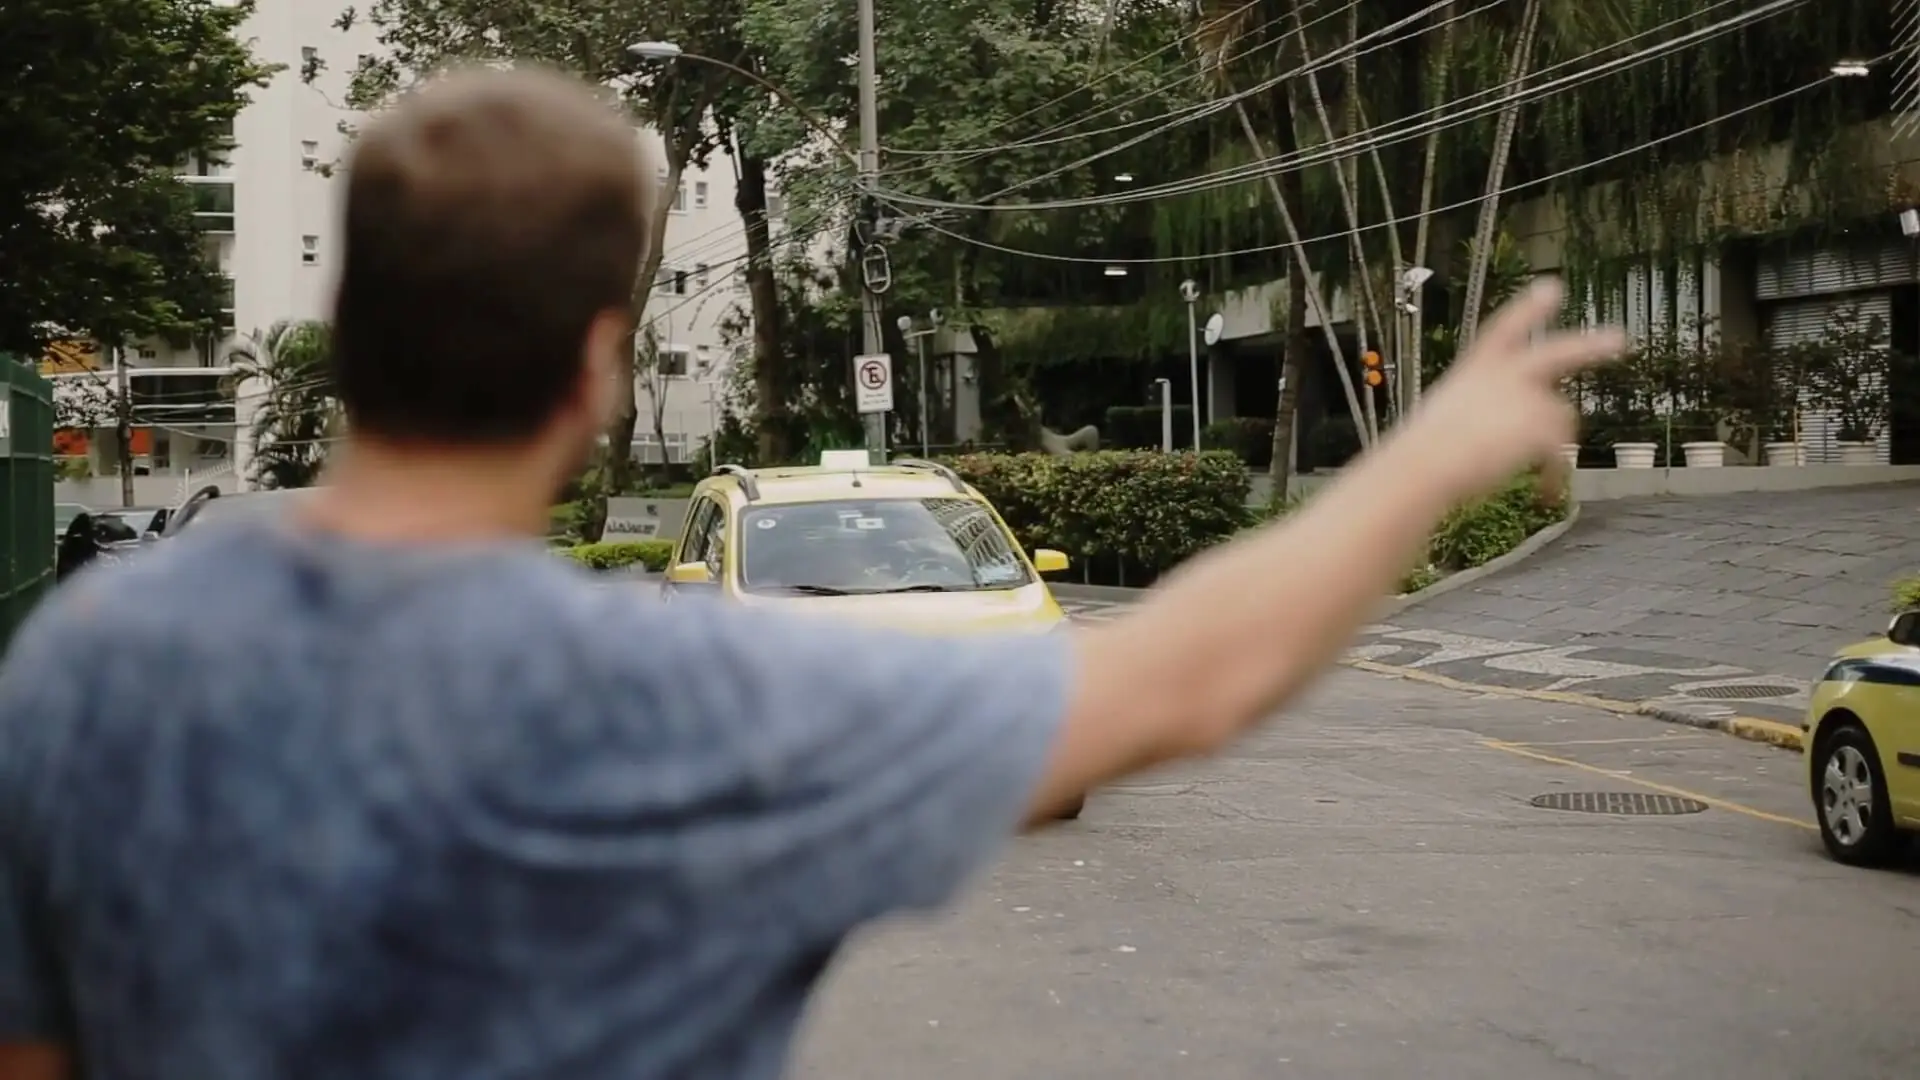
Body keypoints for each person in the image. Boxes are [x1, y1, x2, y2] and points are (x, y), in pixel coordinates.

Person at [0, 67, 1623, 1080]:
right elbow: (1187, 676)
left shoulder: (90, 659)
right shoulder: (688, 699)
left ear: (344, 334)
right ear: (595, 373)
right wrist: (1431, 448)